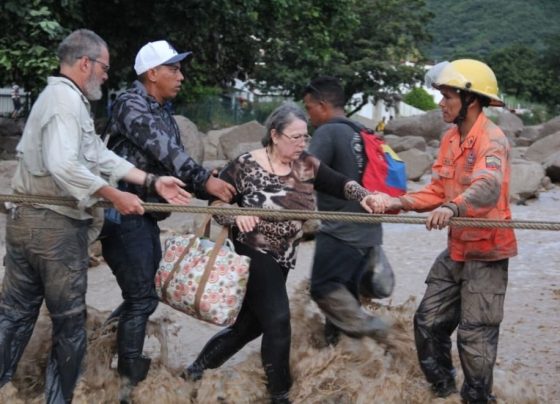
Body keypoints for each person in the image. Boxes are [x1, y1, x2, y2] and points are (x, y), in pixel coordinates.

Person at [0, 29, 190, 404]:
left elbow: (99, 156)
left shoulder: (68, 99)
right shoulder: (63, 102)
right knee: (69, 323)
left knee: (16, 315)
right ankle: (60, 399)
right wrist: (113, 194)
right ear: (85, 63)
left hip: (31, 221)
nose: (106, 74)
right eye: (103, 66)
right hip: (52, 227)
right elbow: (62, 165)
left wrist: (150, 180)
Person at [183, 103, 386, 403]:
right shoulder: (244, 165)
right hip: (252, 250)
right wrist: (236, 216)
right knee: (278, 321)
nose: (303, 143)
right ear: (275, 135)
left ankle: (193, 374)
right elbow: (216, 205)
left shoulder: (307, 165)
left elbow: (341, 183)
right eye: (295, 137)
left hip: (284, 257)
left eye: (305, 137)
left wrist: (366, 197)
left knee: (249, 327)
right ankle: (280, 396)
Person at [99, 40, 236, 400]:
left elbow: (173, 166)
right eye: (173, 69)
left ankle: (101, 350)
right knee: (143, 297)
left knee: (145, 294)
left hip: (143, 217)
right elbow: (168, 153)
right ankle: (126, 383)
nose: (181, 76)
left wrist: (213, 188)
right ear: (151, 73)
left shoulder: (161, 110)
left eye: (180, 68)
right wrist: (206, 180)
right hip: (121, 215)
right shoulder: (132, 105)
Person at [374, 59, 517, 403]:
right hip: (457, 248)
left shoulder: (492, 140)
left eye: (448, 97)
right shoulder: (451, 139)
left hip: (488, 249)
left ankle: (477, 399)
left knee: (474, 336)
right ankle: (443, 392)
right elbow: (438, 190)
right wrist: (400, 202)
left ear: (471, 100)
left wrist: (452, 208)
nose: (441, 104)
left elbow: (488, 184)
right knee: (427, 322)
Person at [302, 76, 390, 346]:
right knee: (343, 302)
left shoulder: (327, 132)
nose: (308, 115)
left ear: (324, 104)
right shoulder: (363, 132)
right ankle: (342, 364)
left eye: (309, 108)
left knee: (323, 290)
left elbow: (306, 173)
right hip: (369, 234)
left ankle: (379, 331)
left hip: (340, 232)